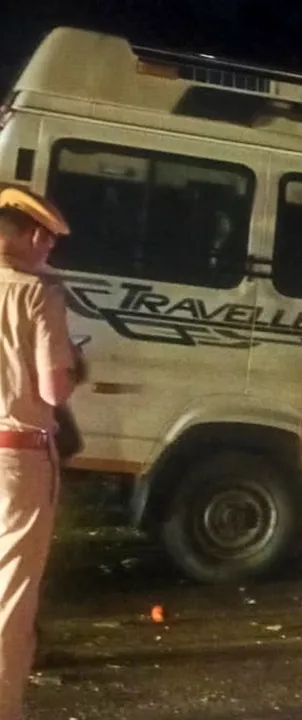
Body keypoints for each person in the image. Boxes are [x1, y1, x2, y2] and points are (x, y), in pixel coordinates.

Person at [0, 187, 77, 720]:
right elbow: (54, 390)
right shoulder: (37, 292)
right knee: (10, 599)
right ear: (32, 235)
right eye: (48, 242)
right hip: (17, 458)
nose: (49, 252)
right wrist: (72, 366)